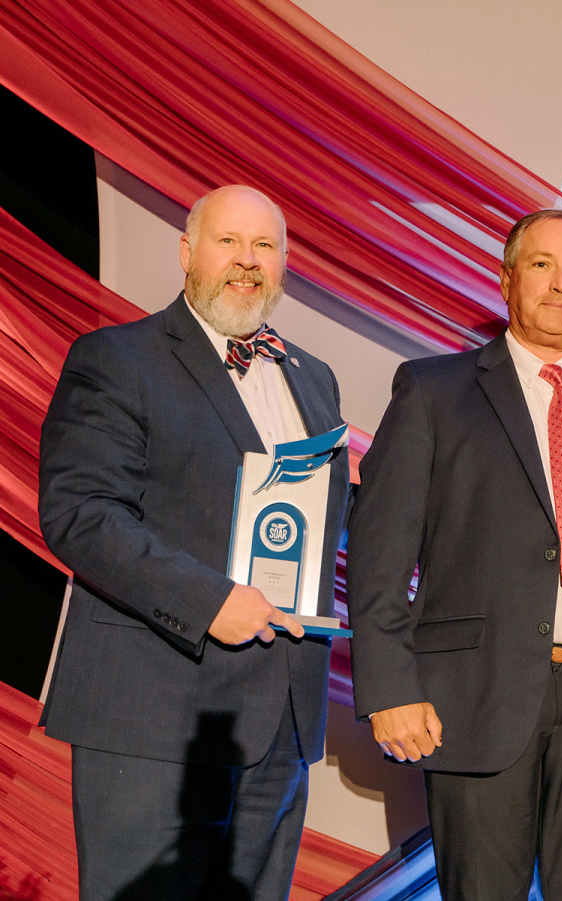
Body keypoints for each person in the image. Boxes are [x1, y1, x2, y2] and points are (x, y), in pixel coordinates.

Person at [345, 209, 562, 901]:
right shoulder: (434, 390)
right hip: (473, 696)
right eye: (542, 265)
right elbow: (379, 552)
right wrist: (389, 686)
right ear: (506, 279)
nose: (561, 285)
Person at [39, 185, 349, 900]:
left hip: (280, 721)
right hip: (156, 713)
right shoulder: (118, 358)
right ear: (187, 253)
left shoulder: (314, 377)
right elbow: (81, 512)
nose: (247, 261)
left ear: (284, 264)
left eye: (264, 246)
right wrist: (210, 600)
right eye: (228, 242)